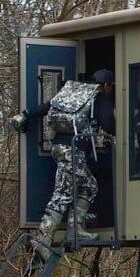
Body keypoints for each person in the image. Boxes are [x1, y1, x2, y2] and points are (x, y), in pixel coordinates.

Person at [12, 69, 116, 257]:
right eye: (112, 87)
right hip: (73, 151)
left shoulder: (73, 92)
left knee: (88, 185)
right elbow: (108, 124)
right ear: (107, 85)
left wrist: (25, 114)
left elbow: (47, 106)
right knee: (64, 192)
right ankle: (43, 238)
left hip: (59, 146)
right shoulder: (98, 97)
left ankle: (74, 229)